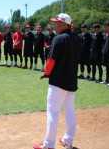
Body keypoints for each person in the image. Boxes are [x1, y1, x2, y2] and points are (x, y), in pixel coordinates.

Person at [33, 13, 80, 149]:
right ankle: (68, 140)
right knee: (69, 111)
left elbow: (51, 60)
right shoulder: (76, 38)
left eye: (57, 23)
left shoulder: (58, 39)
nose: (55, 25)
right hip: (71, 81)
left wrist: (46, 73)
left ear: (64, 24)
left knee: (53, 112)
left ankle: (48, 144)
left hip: (58, 82)